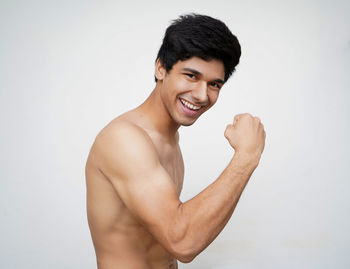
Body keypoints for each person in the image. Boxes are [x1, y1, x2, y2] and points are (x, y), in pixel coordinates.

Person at [85, 13, 266, 269]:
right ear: (161, 68)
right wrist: (246, 156)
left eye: (214, 84)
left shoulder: (169, 140)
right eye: (191, 75)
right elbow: (182, 242)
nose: (202, 95)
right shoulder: (124, 139)